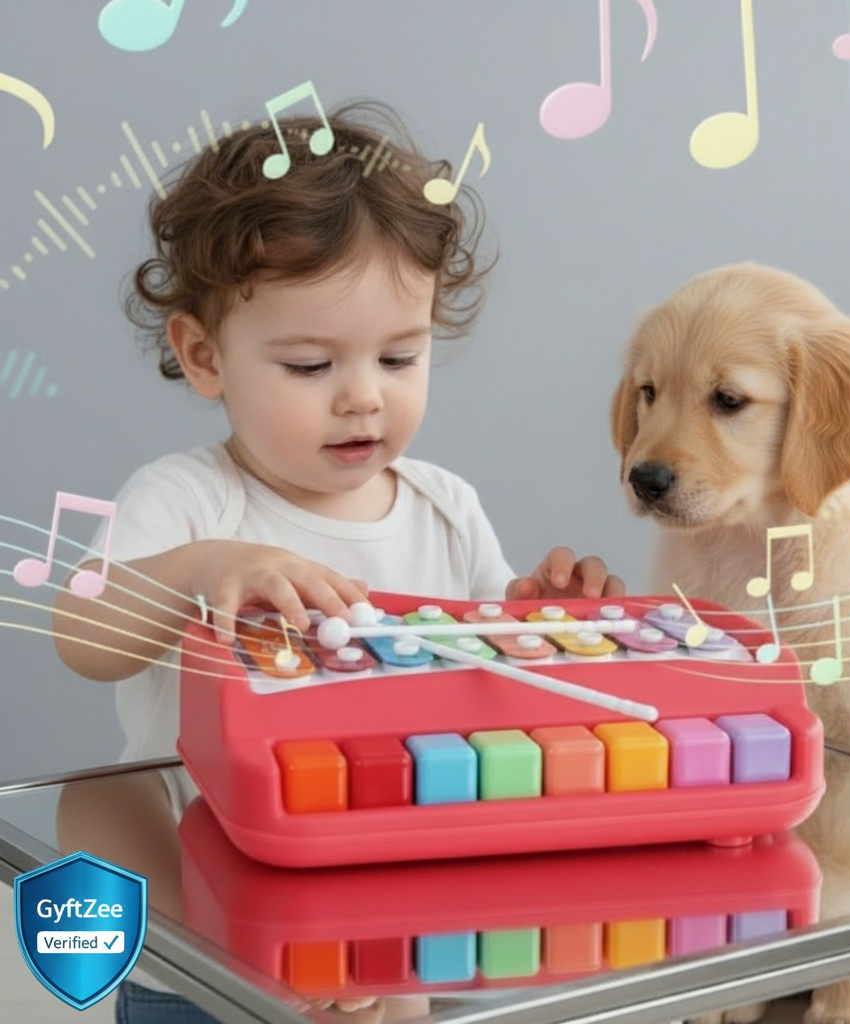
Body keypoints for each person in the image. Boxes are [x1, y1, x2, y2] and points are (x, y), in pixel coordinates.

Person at [50, 101, 624, 1019]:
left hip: (388, 920)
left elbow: (499, 685)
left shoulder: (445, 507)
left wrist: (540, 616)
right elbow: (79, 635)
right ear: (205, 357)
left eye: (400, 357)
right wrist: (202, 568)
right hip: (210, 945)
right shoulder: (192, 500)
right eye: (312, 367)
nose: (363, 398)